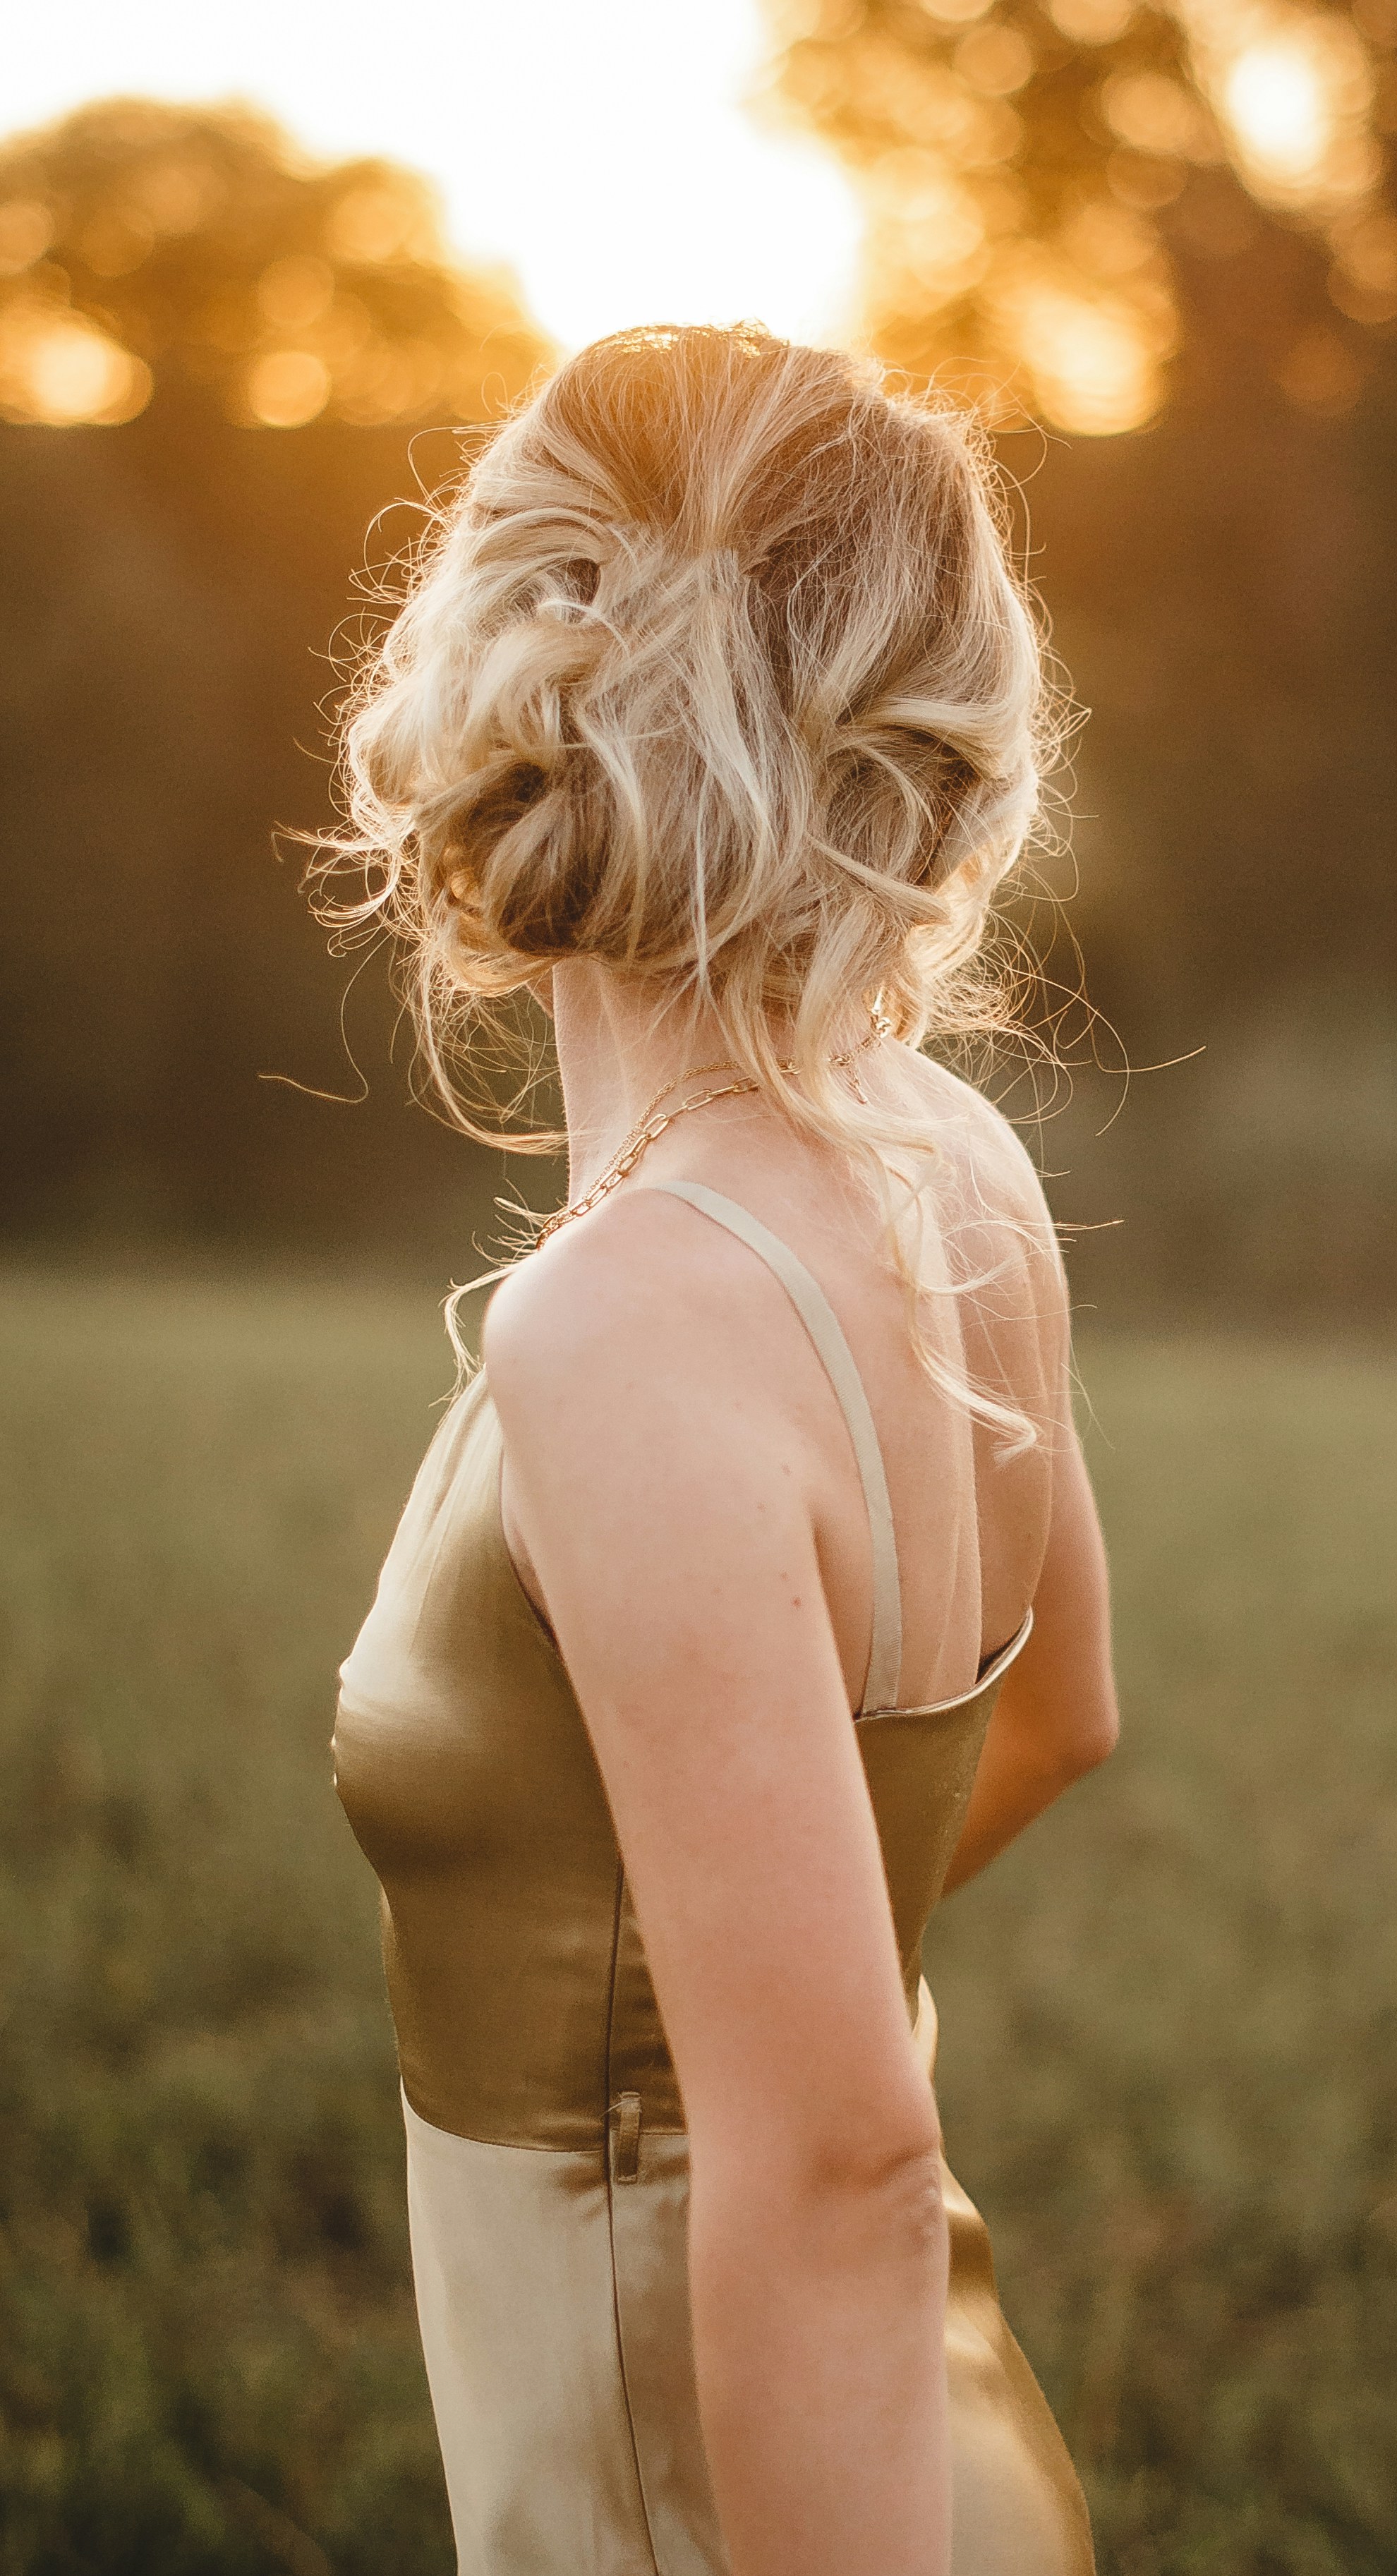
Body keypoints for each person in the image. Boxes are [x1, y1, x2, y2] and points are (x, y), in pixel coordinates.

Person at [327, 324, 1120, 2576]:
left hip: (720, 2493)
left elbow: (838, 2167)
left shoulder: (627, 1321)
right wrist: (733, 2001)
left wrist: (679, 2105)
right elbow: (1063, 1715)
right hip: (950, 2452)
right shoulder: (954, 1159)